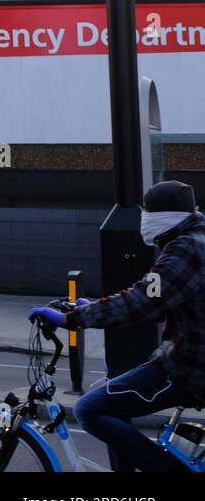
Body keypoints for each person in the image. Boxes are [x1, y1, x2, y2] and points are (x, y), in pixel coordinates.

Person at [30, 180, 205, 472]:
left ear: (160, 218)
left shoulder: (185, 249)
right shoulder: (197, 240)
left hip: (190, 369)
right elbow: (162, 296)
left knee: (90, 408)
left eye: (146, 214)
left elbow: (143, 300)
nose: (143, 221)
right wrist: (93, 307)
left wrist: (69, 319)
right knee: (115, 401)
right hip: (189, 357)